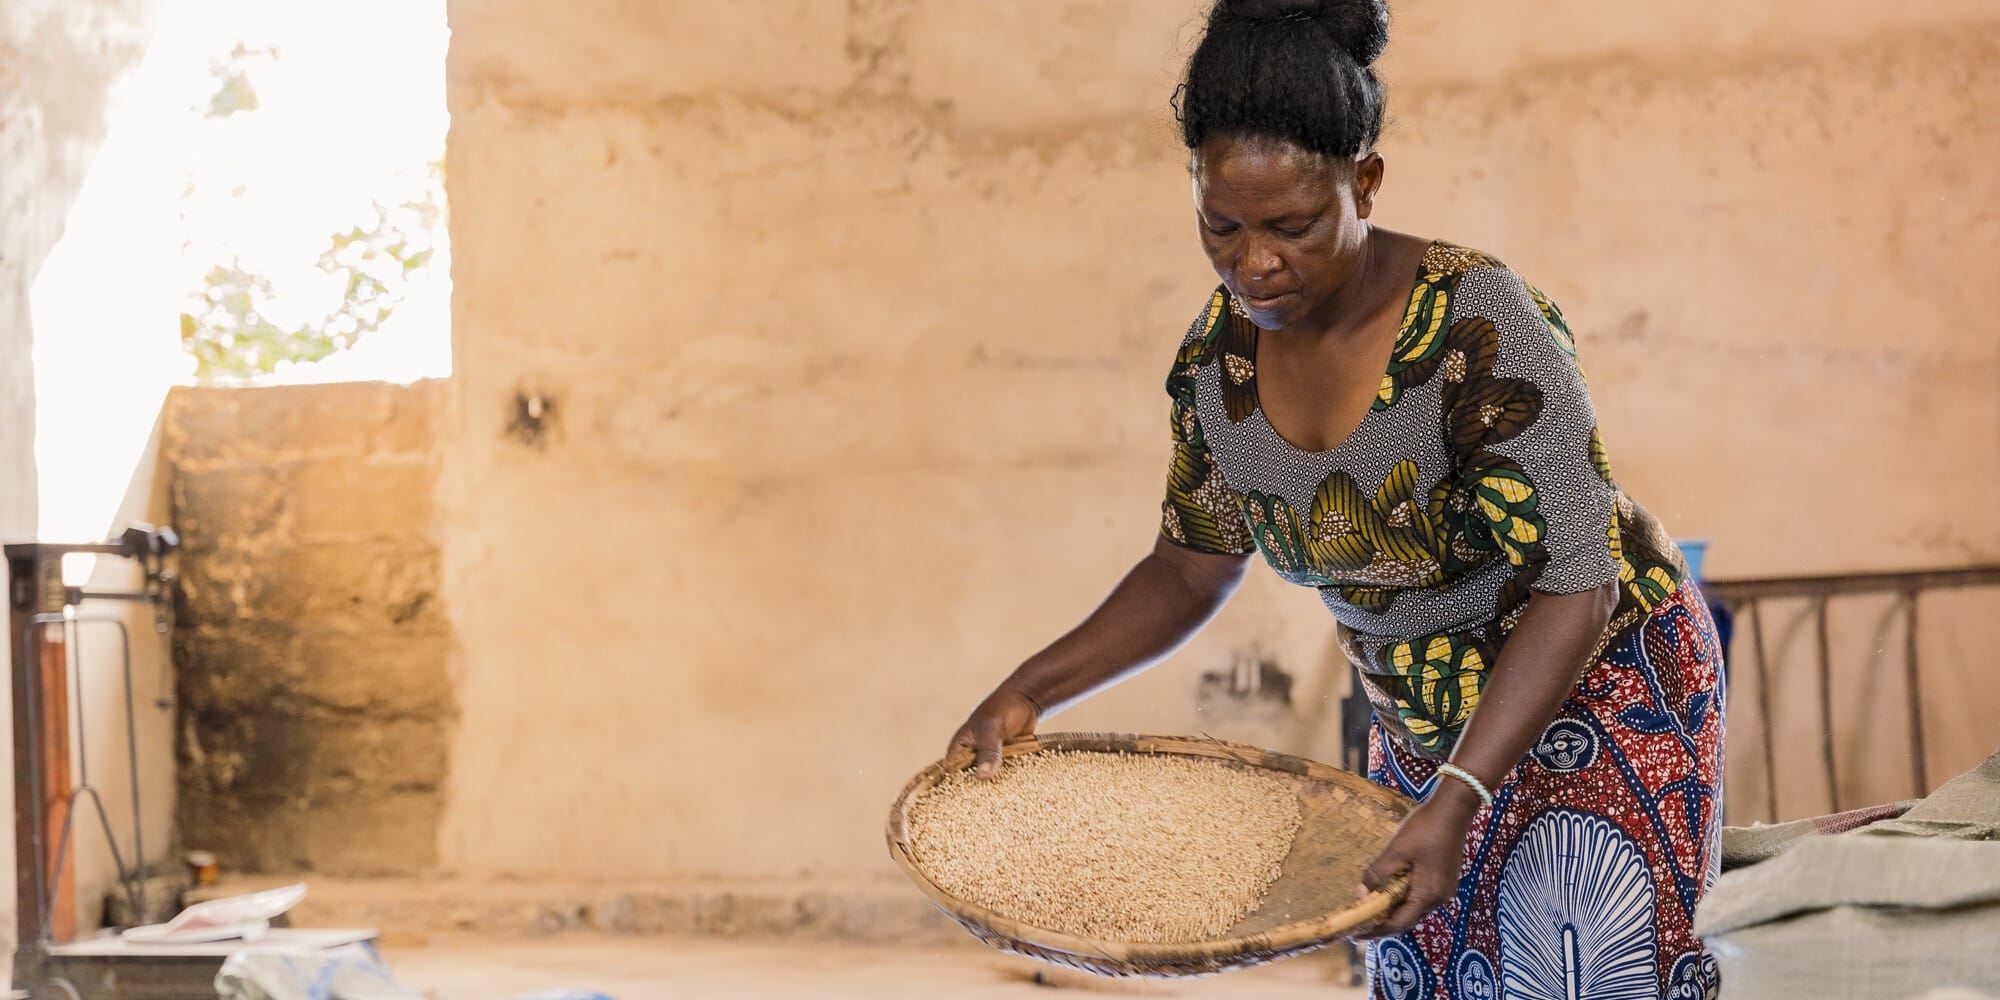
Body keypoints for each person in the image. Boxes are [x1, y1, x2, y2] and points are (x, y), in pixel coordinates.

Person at [942, 1, 1727, 997]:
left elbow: (1577, 582)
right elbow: (1190, 563)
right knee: (1431, 973)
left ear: (1364, 183)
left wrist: (1459, 796)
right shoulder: (1217, 362)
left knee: (1578, 958)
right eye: (1218, 226)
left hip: (1599, 687)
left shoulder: (1474, 324)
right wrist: (1031, 687)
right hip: (1420, 720)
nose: (1252, 261)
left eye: (1292, 226)